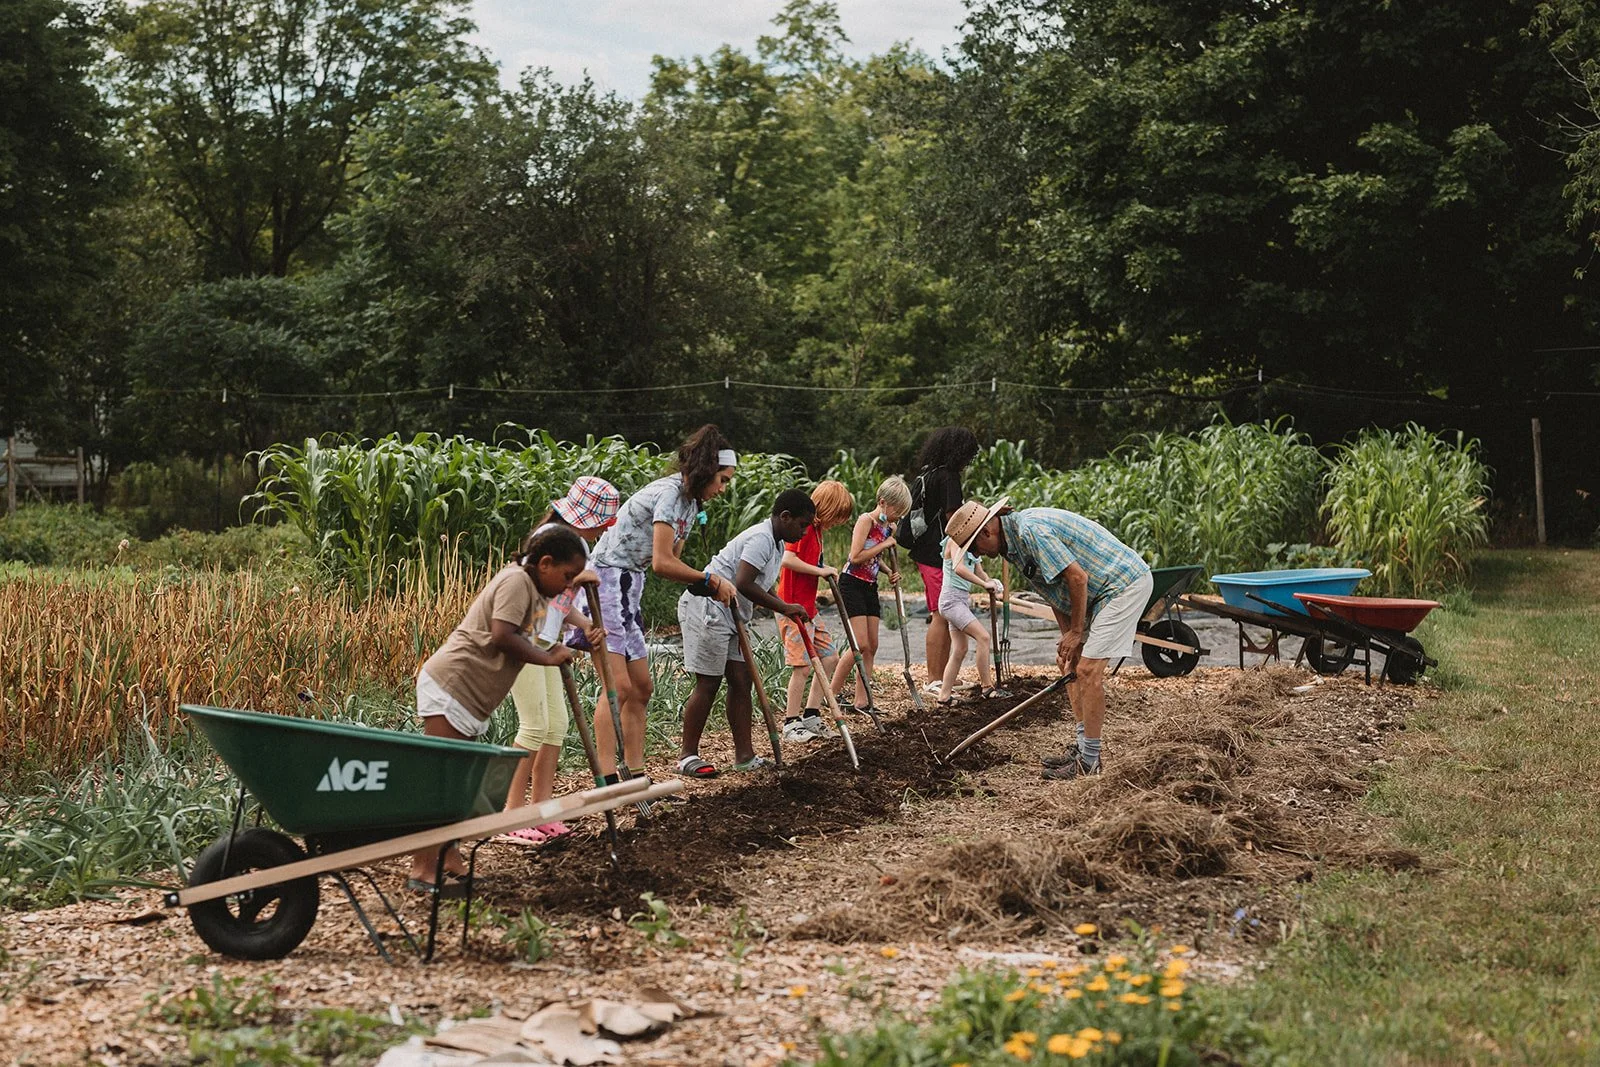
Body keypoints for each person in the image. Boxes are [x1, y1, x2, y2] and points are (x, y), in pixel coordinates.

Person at [409, 525, 595, 894]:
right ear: (544, 563)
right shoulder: (515, 583)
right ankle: (421, 870)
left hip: (471, 697)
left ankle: (450, 857)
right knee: (443, 783)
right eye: (567, 575)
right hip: (453, 685)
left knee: (458, 784)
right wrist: (547, 658)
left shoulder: (539, 592)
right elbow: (502, 635)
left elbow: (541, 633)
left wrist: (579, 636)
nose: (568, 584)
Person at [947, 499, 1153, 780]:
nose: (976, 554)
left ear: (986, 533)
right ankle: (1082, 749)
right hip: (1096, 592)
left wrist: (1077, 632)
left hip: (1121, 584)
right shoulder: (1012, 546)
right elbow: (1054, 590)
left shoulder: (1030, 532)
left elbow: (1078, 578)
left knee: (1088, 671)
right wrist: (1068, 638)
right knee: (1069, 664)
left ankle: (1089, 761)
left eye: (973, 548)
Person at [590, 426, 738, 783]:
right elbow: (662, 561)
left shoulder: (689, 503)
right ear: (705, 470)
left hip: (630, 585)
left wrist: (704, 583)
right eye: (721, 480)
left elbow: (674, 564)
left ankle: (635, 773)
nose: (723, 489)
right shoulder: (670, 494)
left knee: (641, 688)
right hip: (606, 582)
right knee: (619, 687)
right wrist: (709, 580)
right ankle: (606, 777)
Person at [499, 478, 619, 847]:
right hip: (525, 641)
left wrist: (585, 625)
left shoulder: (577, 543)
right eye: (601, 522)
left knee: (557, 727)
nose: (603, 530)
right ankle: (511, 815)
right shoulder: (550, 539)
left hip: (547, 642)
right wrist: (578, 581)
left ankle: (542, 809)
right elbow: (537, 590)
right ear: (583, 517)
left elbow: (559, 607)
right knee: (534, 726)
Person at [675, 489, 815, 777]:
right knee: (709, 682)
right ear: (784, 517)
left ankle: (744, 756)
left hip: (733, 613)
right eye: (801, 525)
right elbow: (744, 583)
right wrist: (784, 607)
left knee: (741, 680)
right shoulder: (761, 538)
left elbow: (760, 586)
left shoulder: (776, 544)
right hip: (709, 608)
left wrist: (781, 604)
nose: (803, 532)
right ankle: (687, 756)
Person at [899, 427, 980, 692]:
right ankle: (934, 678)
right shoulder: (948, 477)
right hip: (937, 553)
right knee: (940, 614)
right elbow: (954, 519)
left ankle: (945, 676)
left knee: (942, 613)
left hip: (925, 550)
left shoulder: (927, 472)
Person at [776, 480, 852, 742]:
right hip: (791, 606)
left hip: (809, 608)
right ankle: (790, 723)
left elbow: (810, 563)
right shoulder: (804, 529)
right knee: (802, 666)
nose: (838, 522)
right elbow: (787, 559)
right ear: (826, 508)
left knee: (830, 657)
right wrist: (821, 571)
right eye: (837, 516)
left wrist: (824, 568)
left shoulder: (818, 533)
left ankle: (811, 714)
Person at [830, 475, 910, 712]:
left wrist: (887, 572)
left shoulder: (889, 527)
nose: (899, 517)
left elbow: (873, 558)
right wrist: (885, 545)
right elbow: (855, 557)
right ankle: (831, 693)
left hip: (870, 585)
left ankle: (862, 701)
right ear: (883, 502)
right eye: (898, 510)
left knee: (872, 645)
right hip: (851, 583)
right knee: (859, 644)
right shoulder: (866, 521)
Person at [934, 522, 1009, 705]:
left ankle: (944, 696)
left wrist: (991, 582)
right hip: (951, 600)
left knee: (960, 649)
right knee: (983, 637)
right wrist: (983, 585)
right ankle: (987, 687)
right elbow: (958, 568)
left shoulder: (970, 546)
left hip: (960, 600)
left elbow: (978, 570)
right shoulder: (954, 542)